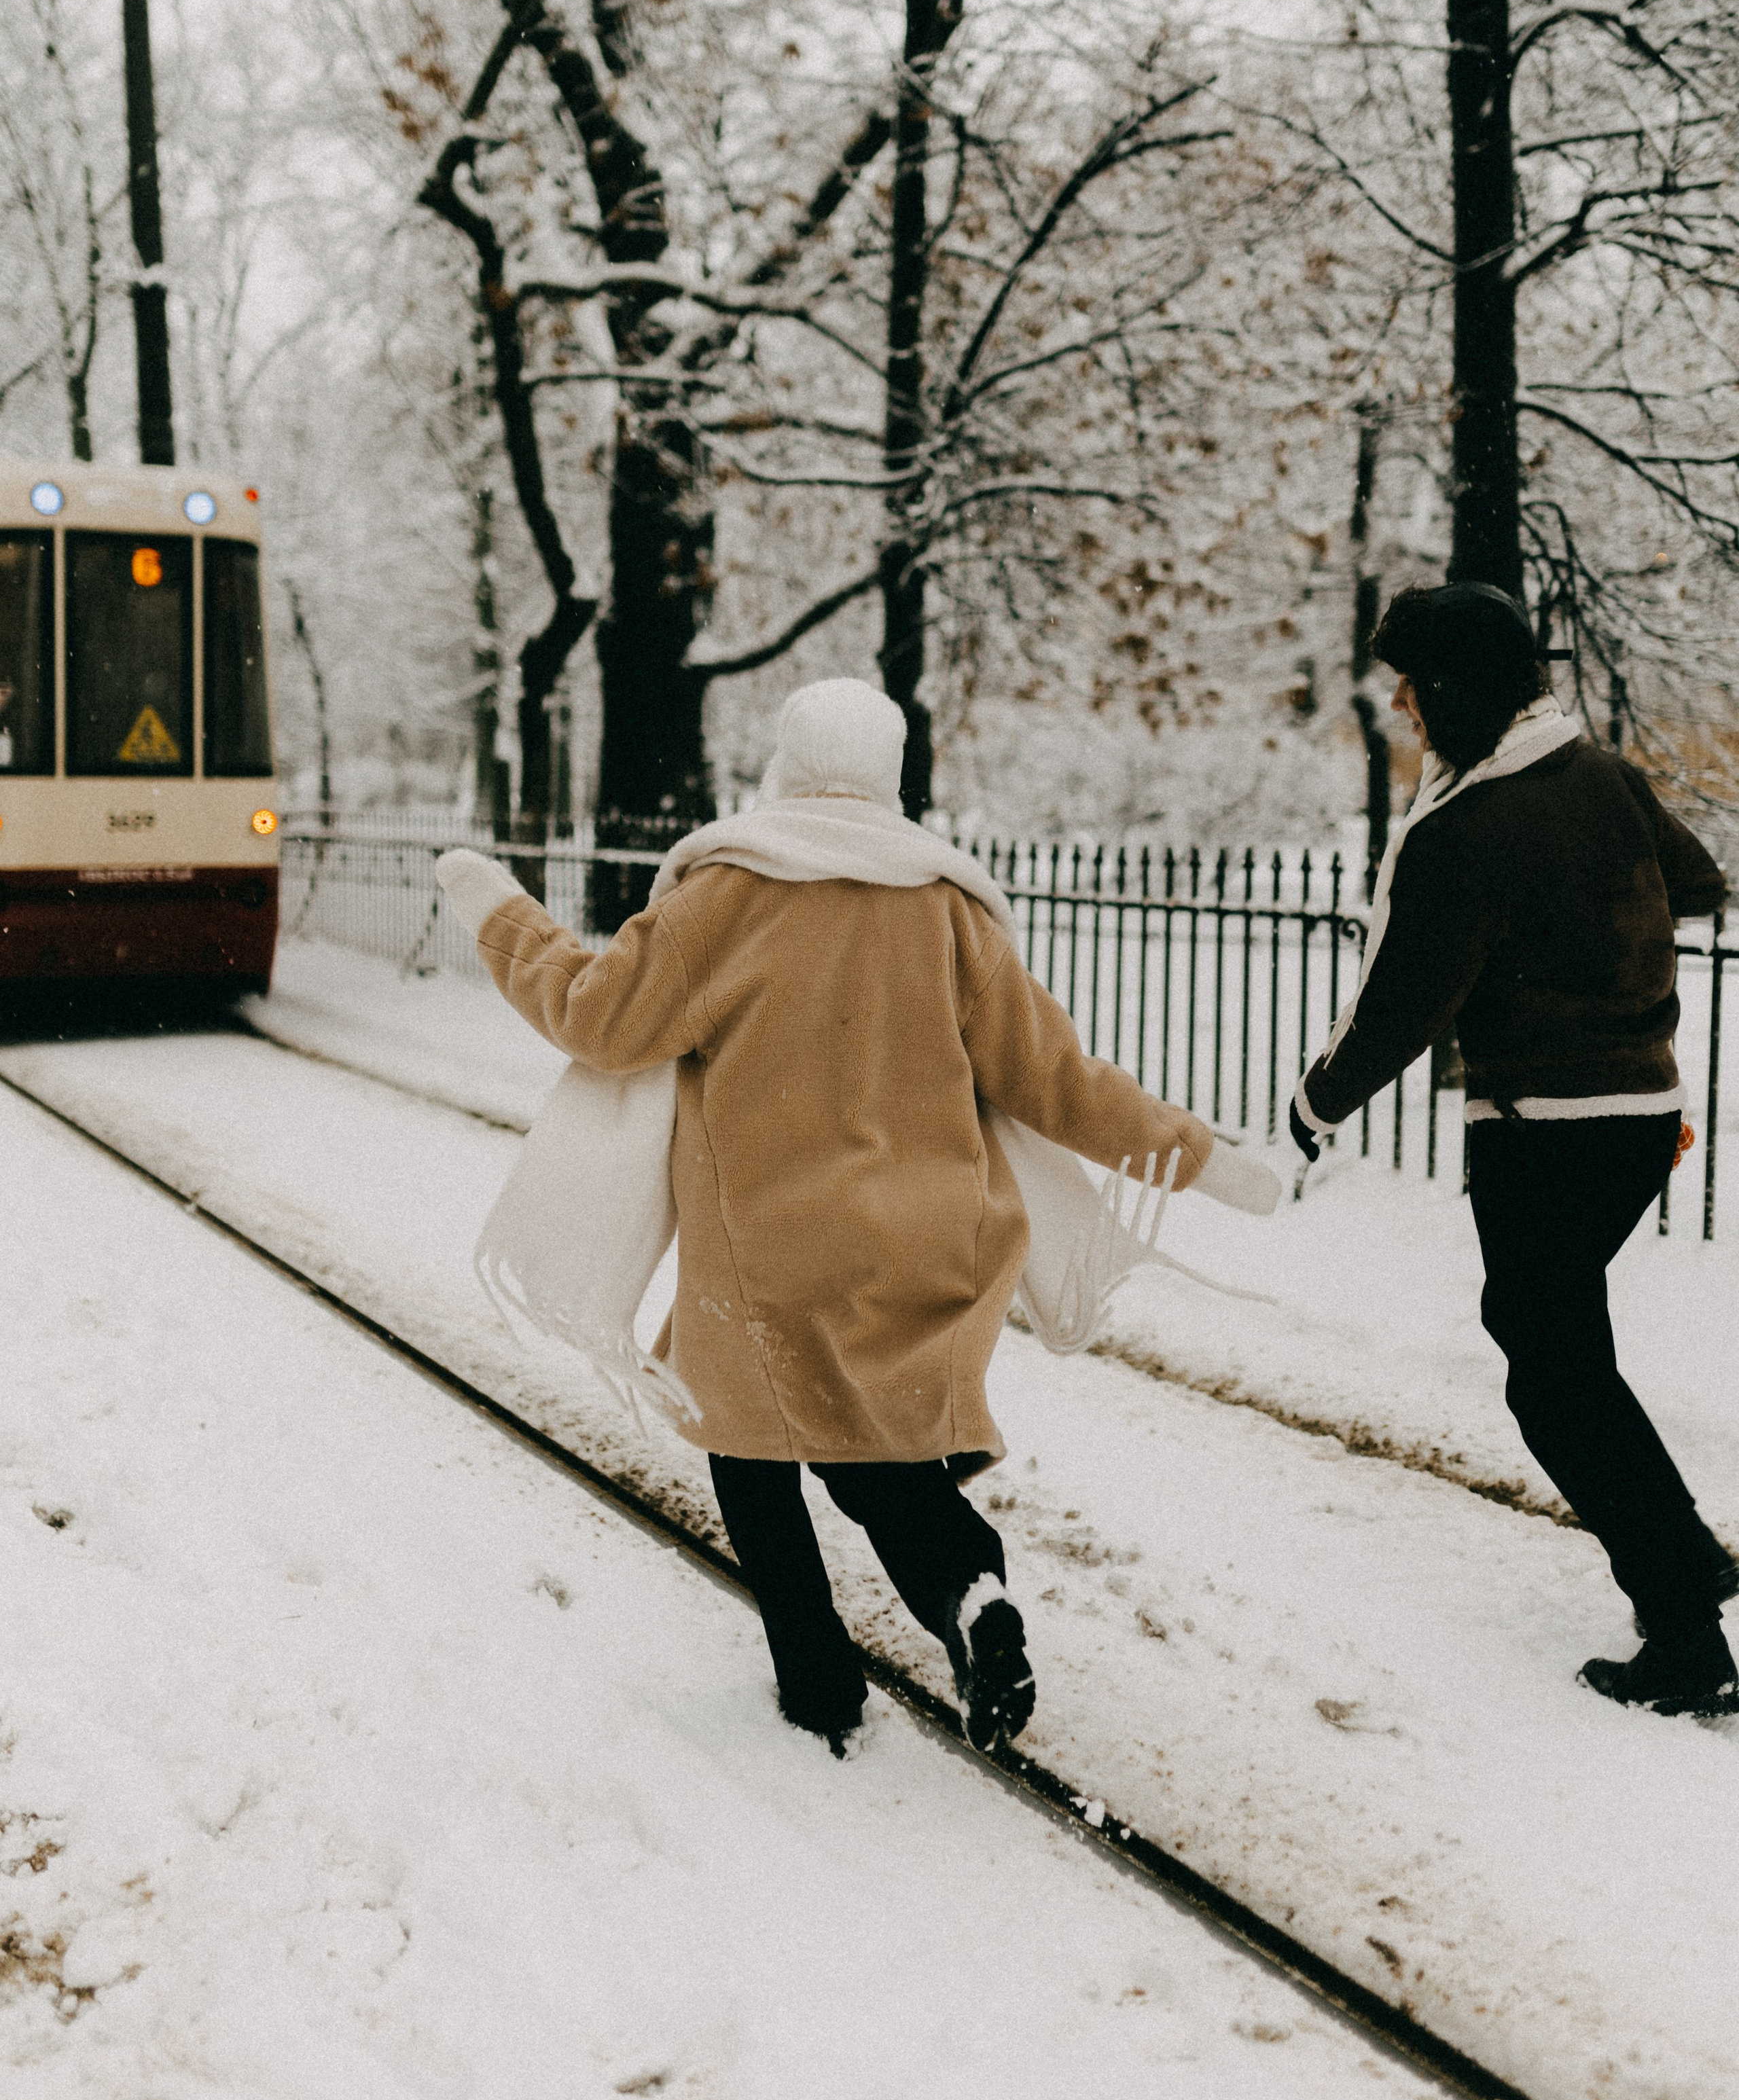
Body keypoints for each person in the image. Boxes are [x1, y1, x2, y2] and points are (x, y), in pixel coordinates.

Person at [440, 681, 1220, 1758]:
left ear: (788, 763)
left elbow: (599, 1018)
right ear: (890, 773)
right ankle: (969, 1590)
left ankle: (818, 1683)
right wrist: (1194, 1150)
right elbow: (1055, 1079)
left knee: (751, 1458)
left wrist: (503, 916)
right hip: (927, 1241)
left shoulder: (726, 893)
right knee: (878, 1455)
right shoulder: (948, 910)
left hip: (764, 1250)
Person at [1290, 583, 1737, 1718]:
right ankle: (1684, 1564)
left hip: (1544, 1132)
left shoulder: (1464, 831)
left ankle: (1686, 1625)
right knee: (1558, 1347)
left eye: (1411, 682)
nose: (1400, 703)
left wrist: (1315, 1105)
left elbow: (1399, 1006)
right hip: (1641, 1118)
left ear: (1455, 690)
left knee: (1552, 1376)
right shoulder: (1604, 777)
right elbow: (1696, 884)